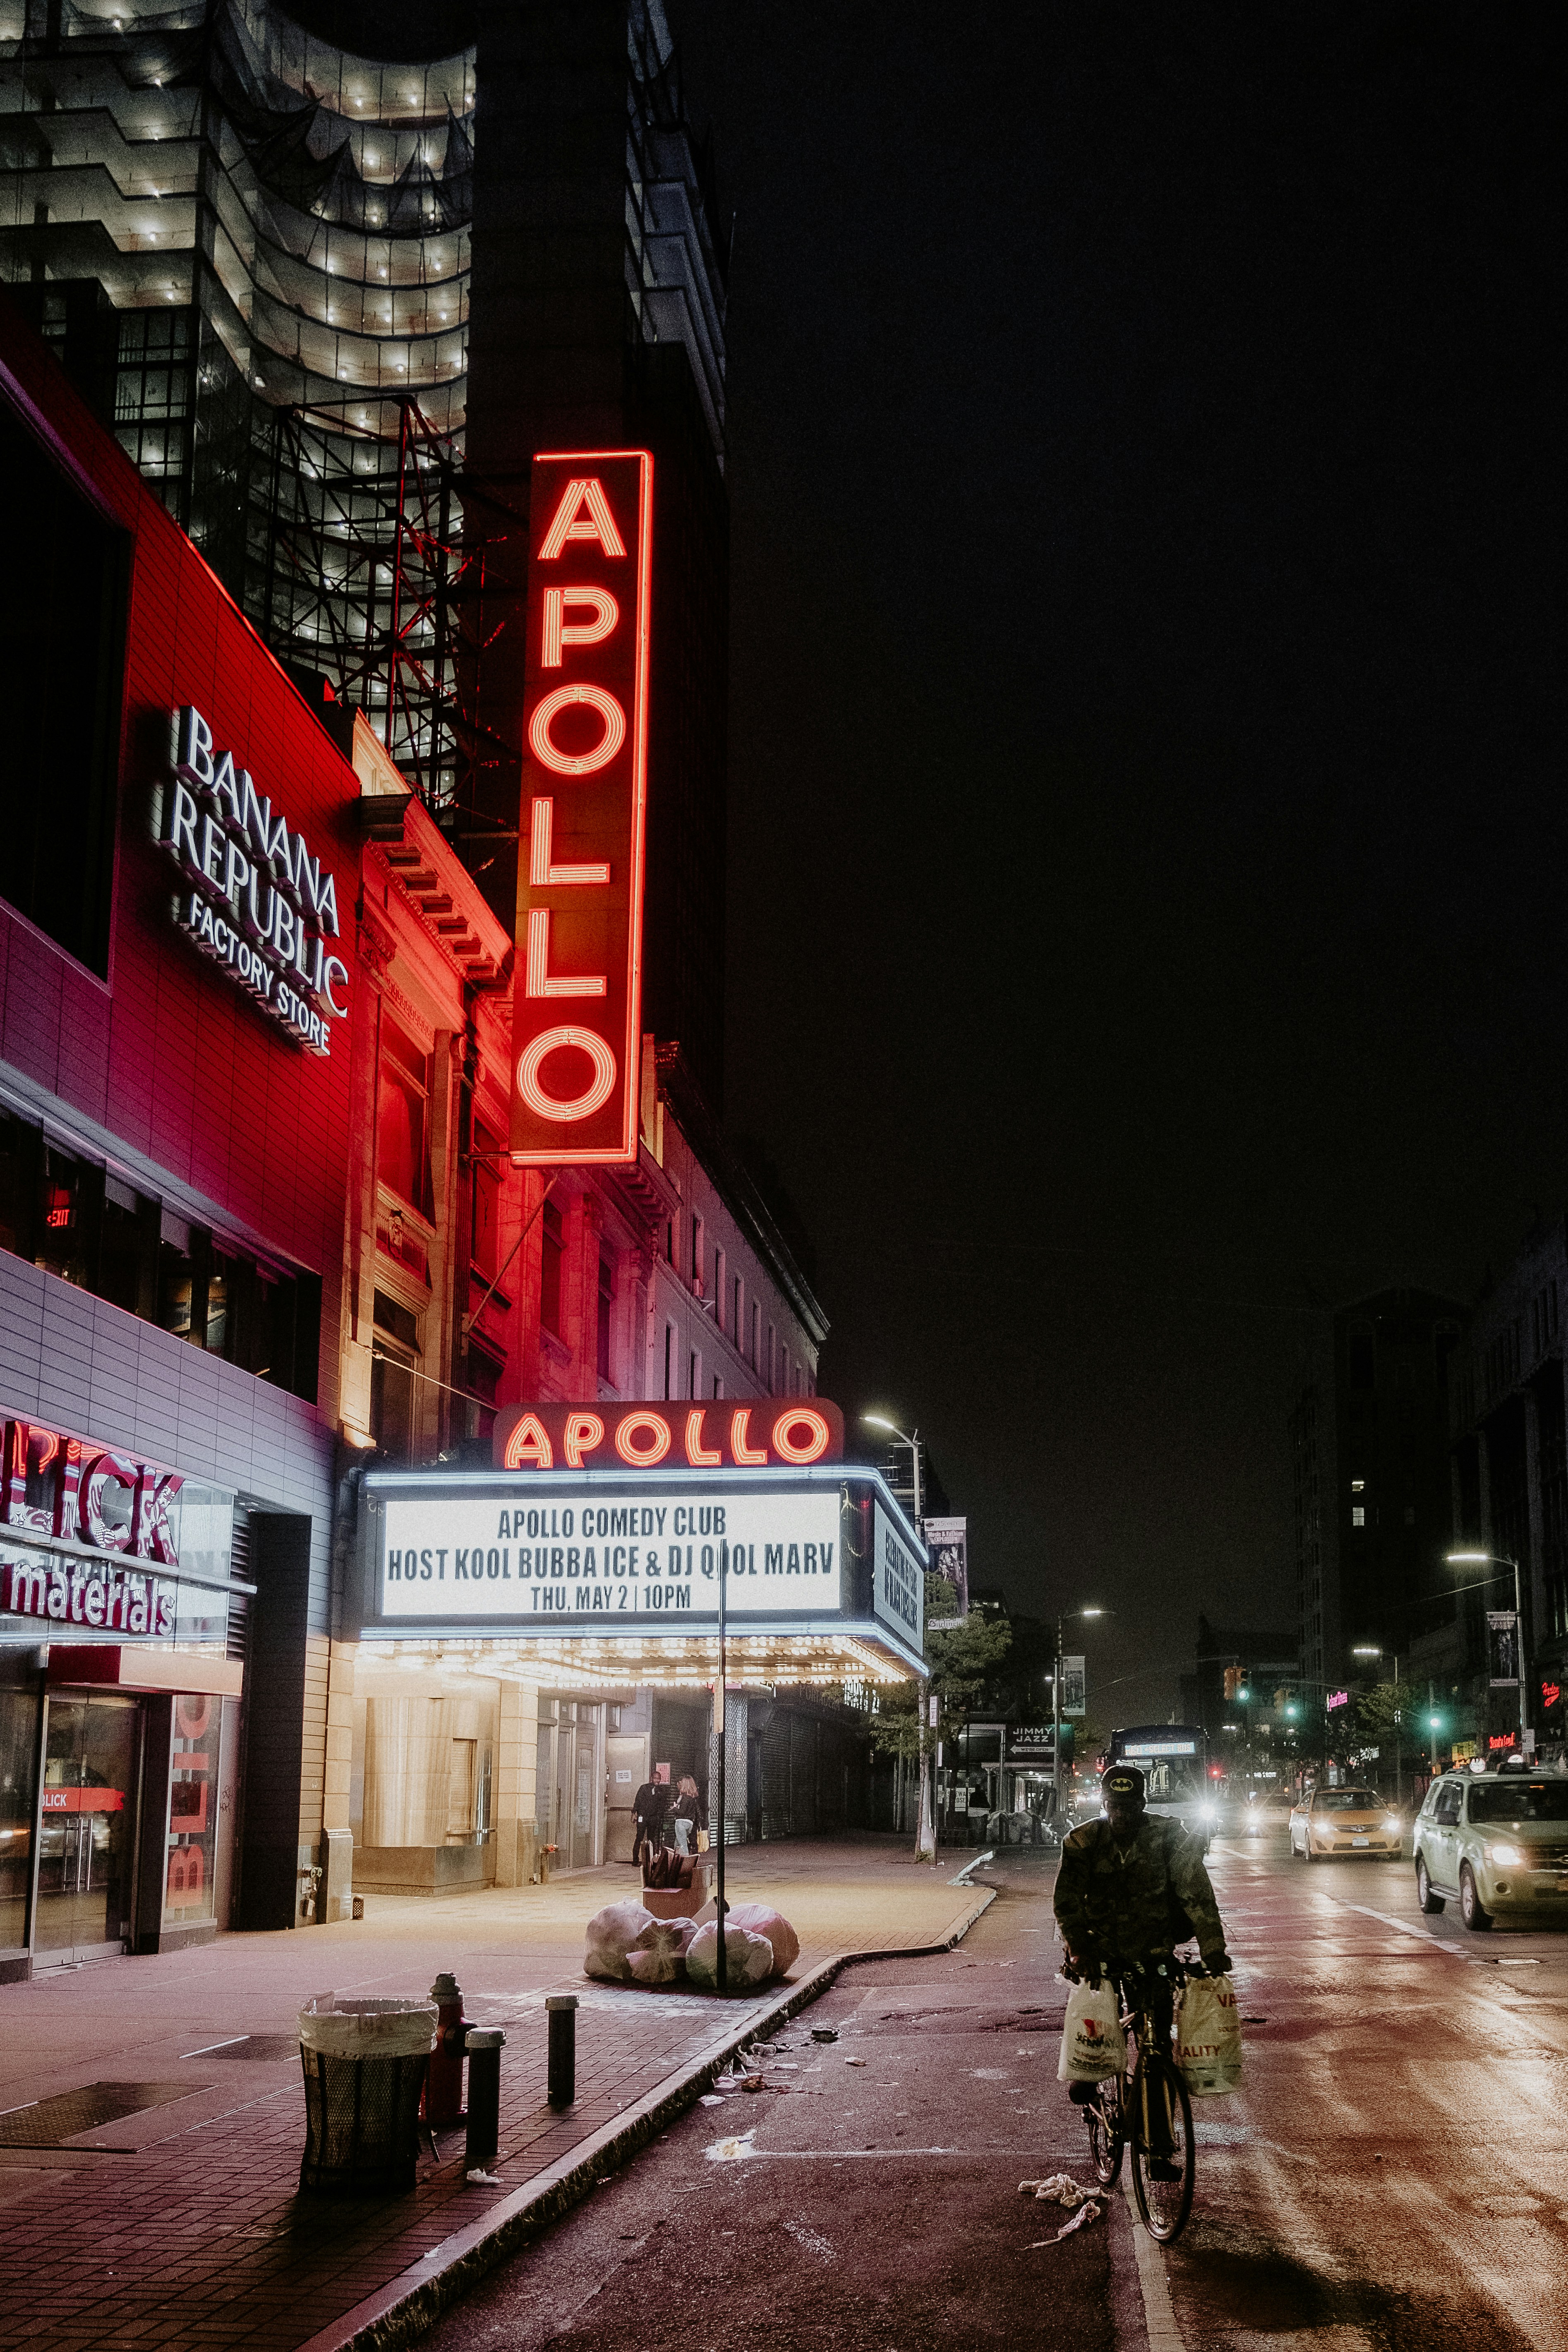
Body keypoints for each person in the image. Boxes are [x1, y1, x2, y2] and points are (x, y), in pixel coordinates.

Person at [1053, 1763, 1232, 2177]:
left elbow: (1195, 1893)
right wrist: (1079, 1950)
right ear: (1104, 1804)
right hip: (1097, 1956)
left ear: (1143, 1804)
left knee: (1155, 2050)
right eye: (1115, 1806)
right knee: (1096, 2029)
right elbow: (1067, 1903)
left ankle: (1158, 2151)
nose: (1123, 1814)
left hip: (1153, 1955)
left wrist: (1214, 1949)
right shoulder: (1082, 1841)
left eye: (1130, 1806)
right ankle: (1088, 2075)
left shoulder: (1170, 1837)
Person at [631, 1773, 667, 1867]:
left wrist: (659, 1817)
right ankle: (635, 1860)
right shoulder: (644, 1788)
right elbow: (638, 1801)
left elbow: (663, 1805)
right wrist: (634, 1813)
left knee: (652, 1839)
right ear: (652, 1779)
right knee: (639, 1837)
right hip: (642, 1816)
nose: (657, 1781)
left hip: (653, 1817)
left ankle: (652, 1860)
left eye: (659, 1779)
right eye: (655, 1779)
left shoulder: (661, 1791)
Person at [667, 1773, 707, 1855]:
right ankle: (675, 1861)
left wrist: (674, 1809)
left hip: (681, 1823)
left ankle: (686, 1863)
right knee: (677, 1844)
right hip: (690, 1824)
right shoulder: (693, 1798)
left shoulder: (686, 1797)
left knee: (683, 1846)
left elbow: (682, 1812)